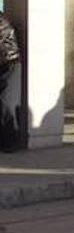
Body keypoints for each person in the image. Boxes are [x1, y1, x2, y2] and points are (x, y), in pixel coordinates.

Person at [0, 12, 23, 152]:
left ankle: (9, 141)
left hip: (6, 63)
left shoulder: (1, 21)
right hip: (6, 62)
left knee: (4, 104)